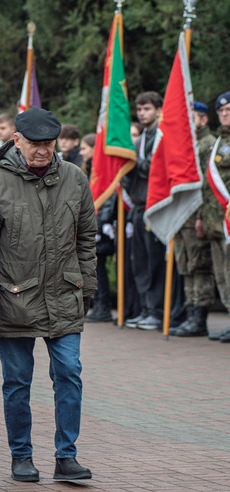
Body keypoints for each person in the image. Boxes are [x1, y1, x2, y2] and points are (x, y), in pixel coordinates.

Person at [0, 107, 97, 483]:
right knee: (17, 383)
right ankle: (21, 455)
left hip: (64, 295)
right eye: (34, 144)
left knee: (70, 374)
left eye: (48, 144)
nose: (42, 151)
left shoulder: (74, 178)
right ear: (17, 141)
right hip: (13, 299)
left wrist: (86, 286)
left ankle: (66, 455)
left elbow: (87, 239)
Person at [168, 102, 216, 337]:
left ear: (204, 120)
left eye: (193, 117)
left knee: (200, 266)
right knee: (186, 265)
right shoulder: (187, 145)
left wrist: (200, 217)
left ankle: (200, 317)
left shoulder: (208, 145)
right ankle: (190, 315)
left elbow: (207, 186)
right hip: (182, 216)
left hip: (198, 215)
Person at [124, 91, 165, 330]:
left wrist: (132, 158)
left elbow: (155, 168)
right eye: (139, 109)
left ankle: (157, 311)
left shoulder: (161, 136)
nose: (142, 113)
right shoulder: (140, 140)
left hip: (154, 206)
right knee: (139, 261)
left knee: (154, 263)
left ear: (158, 110)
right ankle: (145, 308)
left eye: (147, 108)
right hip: (138, 206)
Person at [204, 91, 230, 342]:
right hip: (215, 220)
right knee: (222, 274)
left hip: (228, 220)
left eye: (228, 110)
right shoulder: (218, 143)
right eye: (221, 111)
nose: (224, 114)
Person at [81, 133, 115, 323]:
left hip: (100, 227)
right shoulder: (90, 169)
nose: (81, 152)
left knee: (98, 269)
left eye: (85, 148)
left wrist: (99, 226)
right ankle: (99, 306)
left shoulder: (102, 170)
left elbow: (106, 199)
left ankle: (104, 307)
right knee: (94, 268)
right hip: (93, 224)